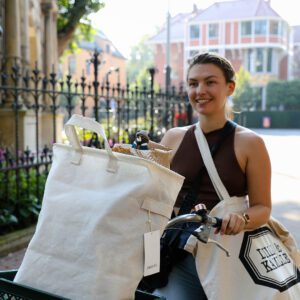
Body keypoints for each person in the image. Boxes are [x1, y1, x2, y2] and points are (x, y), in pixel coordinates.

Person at [142, 52, 272, 299]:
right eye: (193, 83)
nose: (200, 90)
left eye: (210, 82)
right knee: (154, 293)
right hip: (172, 248)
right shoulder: (173, 137)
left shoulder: (251, 143)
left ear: (230, 87)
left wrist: (241, 219)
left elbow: (263, 207)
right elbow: (151, 200)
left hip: (222, 254)